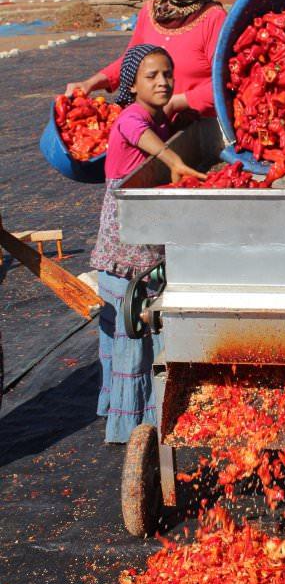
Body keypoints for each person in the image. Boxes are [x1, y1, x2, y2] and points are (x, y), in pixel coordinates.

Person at [91, 43, 208, 443]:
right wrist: (174, 161)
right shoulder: (132, 116)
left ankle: (133, 408)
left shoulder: (161, 117)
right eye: (151, 76)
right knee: (133, 330)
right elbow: (140, 136)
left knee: (132, 326)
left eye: (167, 74)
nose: (162, 82)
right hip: (126, 240)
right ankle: (132, 426)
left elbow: (167, 130)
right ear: (132, 85)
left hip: (146, 233)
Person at [65, 0, 226, 122]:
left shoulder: (214, 18)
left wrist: (175, 103)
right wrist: (90, 83)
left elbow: (224, 81)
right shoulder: (150, 11)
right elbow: (130, 62)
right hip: (148, 123)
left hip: (193, 127)